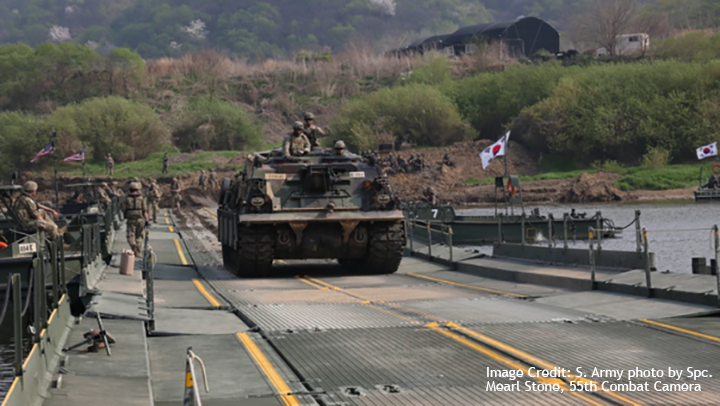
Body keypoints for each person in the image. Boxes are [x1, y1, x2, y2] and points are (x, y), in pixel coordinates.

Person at [121, 182, 149, 257]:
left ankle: (134, 247)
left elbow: (123, 209)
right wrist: (147, 220)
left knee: (130, 236)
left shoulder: (126, 199)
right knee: (139, 236)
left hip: (131, 220)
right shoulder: (142, 198)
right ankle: (138, 251)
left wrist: (124, 216)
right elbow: (145, 210)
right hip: (140, 219)